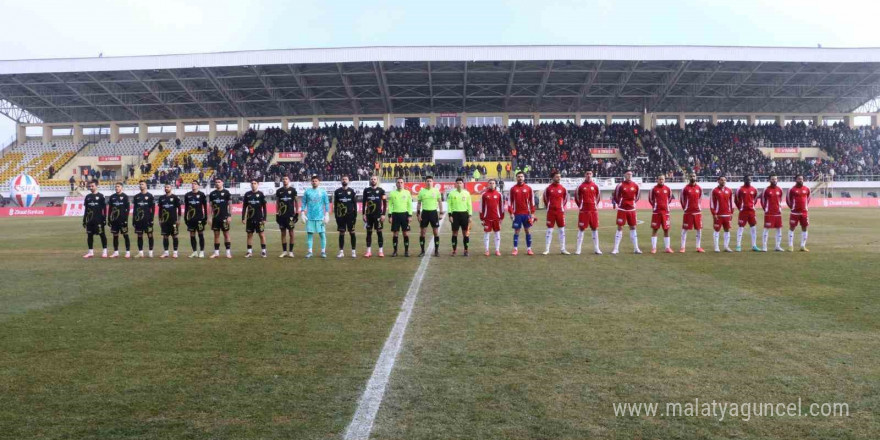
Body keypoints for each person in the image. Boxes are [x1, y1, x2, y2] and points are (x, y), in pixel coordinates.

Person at [612, 171, 642, 254]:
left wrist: (632, 203)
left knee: (633, 227)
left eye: (631, 174)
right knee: (619, 227)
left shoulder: (636, 185)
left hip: (632, 210)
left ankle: (636, 248)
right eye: (628, 174)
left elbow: (638, 196)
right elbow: (616, 196)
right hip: (622, 209)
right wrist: (621, 204)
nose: (629, 176)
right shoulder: (620, 185)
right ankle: (616, 249)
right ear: (625, 175)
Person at [508, 171, 536, 256]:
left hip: (526, 214)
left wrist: (533, 213)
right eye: (518, 176)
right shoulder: (513, 189)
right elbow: (510, 202)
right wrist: (511, 212)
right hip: (517, 214)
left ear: (524, 178)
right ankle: (515, 249)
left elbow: (532, 202)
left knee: (527, 230)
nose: (520, 178)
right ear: (516, 178)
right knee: (517, 231)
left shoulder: (528, 188)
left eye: (521, 176)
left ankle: (529, 249)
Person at [542, 171, 570, 255]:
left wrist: (560, 207)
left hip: (560, 212)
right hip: (551, 212)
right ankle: (547, 249)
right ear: (553, 178)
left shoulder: (563, 188)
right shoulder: (548, 188)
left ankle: (563, 249)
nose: (559, 178)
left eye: (559, 176)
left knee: (562, 230)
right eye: (557, 177)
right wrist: (550, 206)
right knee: (549, 230)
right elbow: (545, 199)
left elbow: (565, 199)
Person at [575, 170, 602, 255]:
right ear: (584, 175)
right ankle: (578, 249)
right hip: (584, 211)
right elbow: (577, 198)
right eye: (587, 174)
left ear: (592, 174)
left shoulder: (596, 186)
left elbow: (598, 197)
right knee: (581, 229)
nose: (589, 175)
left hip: (593, 211)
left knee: (594, 228)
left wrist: (594, 205)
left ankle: (597, 248)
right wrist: (581, 206)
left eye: (590, 174)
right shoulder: (580, 186)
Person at [303, 175, 330, 258]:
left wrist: (327, 214)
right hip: (310, 217)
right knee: (310, 235)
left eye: (316, 181)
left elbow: (326, 203)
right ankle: (310, 252)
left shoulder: (323, 192)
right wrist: (302, 213)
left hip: (320, 217)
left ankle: (323, 252)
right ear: (311, 182)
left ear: (319, 182)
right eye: (313, 181)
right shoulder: (307, 192)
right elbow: (304, 203)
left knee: (322, 235)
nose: (314, 182)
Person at [416, 176, 443, 257]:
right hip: (424, 213)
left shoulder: (436, 191)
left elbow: (440, 202)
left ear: (433, 182)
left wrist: (441, 212)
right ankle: (422, 251)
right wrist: (418, 214)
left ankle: (436, 251)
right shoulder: (421, 192)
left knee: (435, 232)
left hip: (433, 213)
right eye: (427, 181)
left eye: (430, 181)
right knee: (422, 233)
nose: (429, 182)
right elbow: (419, 203)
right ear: (425, 182)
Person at [333, 175, 358, 258]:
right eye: (343, 179)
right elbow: (335, 205)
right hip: (341, 216)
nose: (344, 180)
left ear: (348, 181)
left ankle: (353, 251)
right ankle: (341, 252)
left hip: (350, 216)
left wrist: (355, 216)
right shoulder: (337, 192)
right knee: (342, 233)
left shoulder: (352, 191)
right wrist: (336, 216)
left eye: (346, 179)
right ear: (341, 181)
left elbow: (355, 204)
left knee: (352, 232)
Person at [362, 174, 387, 258]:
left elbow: (385, 203)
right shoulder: (366, 190)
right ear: (370, 180)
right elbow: (363, 203)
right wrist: (363, 214)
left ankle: (380, 251)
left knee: (379, 233)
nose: (373, 180)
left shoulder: (381, 191)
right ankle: (368, 251)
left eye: (374, 179)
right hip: (369, 216)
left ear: (377, 181)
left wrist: (383, 214)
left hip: (378, 216)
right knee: (369, 233)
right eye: (372, 179)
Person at [679, 172, 704, 253]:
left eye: (694, 176)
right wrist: (685, 208)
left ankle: (698, 247)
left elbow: (700, 198)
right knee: (684, 230)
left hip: (697, 212)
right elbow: (682, 199)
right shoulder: (685, 188)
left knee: (699, 230)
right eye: (691, 176)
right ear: (689, 178)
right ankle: (682, 247)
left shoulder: (699, 188)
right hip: (688, 212)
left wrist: (698, 207)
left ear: (696, 177)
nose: (692, 177)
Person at [387, 177, 413, 257]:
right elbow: (390, 205)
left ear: (404, 183)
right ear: (396, 184)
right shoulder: (392, 193)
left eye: (401, 182)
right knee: (395, 234)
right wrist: (390, 216)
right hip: (395, 215)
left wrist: (410, 215)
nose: (400, 184)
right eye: (398, 182)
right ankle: (395, 251)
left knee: (405, 233)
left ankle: (406, 251)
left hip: (404, 215)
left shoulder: (407, 193)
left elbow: (409, 205)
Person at [242, 180, 268, 258]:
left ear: (257, 184)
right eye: (252, 184)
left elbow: (264, 207)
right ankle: (249, 252)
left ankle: (263, 251)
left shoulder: (261, 194)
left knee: (261, 235)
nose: (253, 185)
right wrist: (243, 218)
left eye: (255, 183)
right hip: (250, 218)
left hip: (259, 218)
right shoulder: (247, 194)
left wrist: (264, 218)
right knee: (249, 235)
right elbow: (244, 207)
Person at [735, 175, 761, 252]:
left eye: (750, 179)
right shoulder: (740, 189)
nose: (749, 180)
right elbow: (736, 200)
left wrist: (752, 205)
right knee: (741, 228)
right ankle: (738, 246)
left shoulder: (754, 189)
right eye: (747, 179)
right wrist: (741, 208)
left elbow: (755, 199)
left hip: (751, 211)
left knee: (753, 227)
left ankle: (754, 245)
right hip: (743, 211)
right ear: (744, 180)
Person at [82, 181, 108, 258]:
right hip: (90, 220)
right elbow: (86, 209)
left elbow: (104, 208)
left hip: (99, 220)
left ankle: (105, 252)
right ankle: (90, 252)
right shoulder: (87, 197)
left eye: (92, 186)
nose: (91, 188)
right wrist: (84, 220)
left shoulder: (101, 196)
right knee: (89, 235)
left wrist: (104, 218)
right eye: (90, 186)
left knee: (102, 235)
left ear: (96, 186)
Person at [648, 174, 673, 254]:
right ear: (657, 180)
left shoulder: (668, 189)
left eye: (662, 179)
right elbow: (650, 199)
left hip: (665, 212)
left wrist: (665, 206)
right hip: (656, 212)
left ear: (664, 180)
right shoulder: (653, 189)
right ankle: (654, 248)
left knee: (666, 229)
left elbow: (669, 199)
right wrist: (655, 206)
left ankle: (667, 248)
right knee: (655, 229)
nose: (661, 180)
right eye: (660, 179)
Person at [447, 178, 473, 256]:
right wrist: (450, 215)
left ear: (463, 184)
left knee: (465, 233)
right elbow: (449, 205)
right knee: (455, 233)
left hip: (464, 214)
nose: (459, 184)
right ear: (455, 184)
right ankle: (454, 250)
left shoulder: (467, 193)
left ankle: (466, 250)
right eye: (457, 183)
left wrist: (470, 216)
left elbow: (469, 205)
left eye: (460, 183)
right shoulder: (451, 193)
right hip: (455, 215)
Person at [208, 178, 233, 259]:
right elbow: (210, 206)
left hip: (224, 217)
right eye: (216, 182)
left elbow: (230, 205)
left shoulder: (226, 193)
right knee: (216, 235)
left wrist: (229, 215)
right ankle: (216, 253)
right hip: (215, 218)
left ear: (222, 183)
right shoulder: (212, 194)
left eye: (219, 182)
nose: (217, 183)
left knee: (226, 234)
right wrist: (209, 217)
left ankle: (228, 253)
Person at [786, 174, 811, 252]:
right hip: (794, 213)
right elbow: (788, 200)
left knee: (804, 228)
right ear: (796, 180)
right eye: (799, 179)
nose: (800, 180)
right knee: (792, 228)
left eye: (802, 179)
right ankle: (790, 246)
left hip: (804, 213)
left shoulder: (807, 189)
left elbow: (808, 198)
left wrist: (805, 207)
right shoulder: (791, 189)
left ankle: (803, 246)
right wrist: (792, 207)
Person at [761, 174, 785, 252]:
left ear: (777, 180)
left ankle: (777, 246)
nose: (774, 180)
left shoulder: (780, 189)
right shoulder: (766, 189)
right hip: (769, 213)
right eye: (772, 179)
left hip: (778, 212)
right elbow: (762, 200)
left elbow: (780, 199)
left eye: (775, 179)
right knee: (766, 229)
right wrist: (766, 209)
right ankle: (764, 247)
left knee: (779, 229)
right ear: (769, 180)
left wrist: (779, 207)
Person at [276, 175, 299, 258]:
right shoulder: (279, 191)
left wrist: (297, 213)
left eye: (286, 179)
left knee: (291, 233)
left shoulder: (293, 190)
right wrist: (277, 214)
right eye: (283, 179)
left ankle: (291, 252)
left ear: (289, 180)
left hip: (290, 216)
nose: (284, 180)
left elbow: (296, 202)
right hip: (282, 216)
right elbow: (277, 203)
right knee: (283, 233)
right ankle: (284, 251)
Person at [480, 179, 504, 256]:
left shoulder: (499, 194)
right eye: (490, 183)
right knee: (487, 234)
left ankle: (497, 250)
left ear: (495, 184)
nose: (492, 184)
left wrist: (501, 218)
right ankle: (487, 250)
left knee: (497, 234)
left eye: (493, 183)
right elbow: (481, 207)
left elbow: (501, 207)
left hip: (496, 217)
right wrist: (482, 218)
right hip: (487, 218)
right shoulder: (484, 194)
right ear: (488, 184)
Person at [156, 183, 181, 259]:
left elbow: (179, 209)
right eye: (165, 187)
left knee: (175, 236)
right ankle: (166, 252)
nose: (166, 188)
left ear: (171, 188)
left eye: (168, 187)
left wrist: (179, 220)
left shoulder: (175, 197)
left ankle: (175, 252)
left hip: (173, 221)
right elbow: (160, 210)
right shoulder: (161, 198)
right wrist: (159, 219)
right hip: (164, 221)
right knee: (165, 236)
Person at [710, 176, 734, 253]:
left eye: (724, 180)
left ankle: (726, 246)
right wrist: (714, 213)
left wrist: (731, 213)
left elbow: (731, 202)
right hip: (718, 215)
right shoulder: (714, 191)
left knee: (727, 230)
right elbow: (712, 203)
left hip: (727, 214)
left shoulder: (729, 190)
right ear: (718, 181)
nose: (723, 181)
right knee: (717, 230)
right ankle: (716, 247)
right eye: (721, 180)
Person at [184, 181, 208, 258]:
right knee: (192, 235)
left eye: (195, 184)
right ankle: (194, 252)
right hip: (191, 219)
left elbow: (205, 207)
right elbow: (186, 207)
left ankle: (201, 251)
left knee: (200, 234)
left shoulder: (201, 194)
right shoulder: (187, 195)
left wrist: (205, 217)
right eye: (192, 184)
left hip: (200, 218)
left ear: (198, 186)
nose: (193, 185)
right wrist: (185, 217)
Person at [107, 182, 131, 259]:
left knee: (125, 235)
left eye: (118, 186)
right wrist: (109, 219)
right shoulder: (112, 197)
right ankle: (116, 252)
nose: (116, 188)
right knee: (115, 236)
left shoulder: (125, 197)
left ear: (121, 188)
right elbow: (110, 209)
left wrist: (126, 220)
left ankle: (128, 252)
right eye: (116, 186)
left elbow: (128, 209)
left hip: (122, 220)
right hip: (114, 220)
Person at [132, 180, 155, 258]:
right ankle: (140, 252)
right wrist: (133, 220)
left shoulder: (150, 196)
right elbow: (135, 209)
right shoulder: (136, 197)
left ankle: (150, 252)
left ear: (146, 186)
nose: (141, 185)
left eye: (142, 184)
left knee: (150, 235)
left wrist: (152, 219)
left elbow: (153, 208)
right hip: (139, 220)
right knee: (139, 235)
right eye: (140, 184)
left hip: (147, 219)